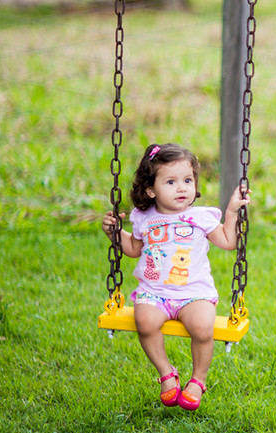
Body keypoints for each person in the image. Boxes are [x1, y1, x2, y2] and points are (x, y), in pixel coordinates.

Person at [101, 143, 251, 411]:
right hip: (154, 292)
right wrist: (115, 233)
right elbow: (134, 249)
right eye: (171, 181)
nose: (182, 187)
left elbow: (229, 241)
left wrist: (231, 212)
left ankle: (198, 380)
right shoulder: (144, 218)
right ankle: (167, 373)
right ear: (151, 190)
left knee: (203, 328)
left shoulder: (200, 217)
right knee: (144, 322)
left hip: (194, 293)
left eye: (187, 180)